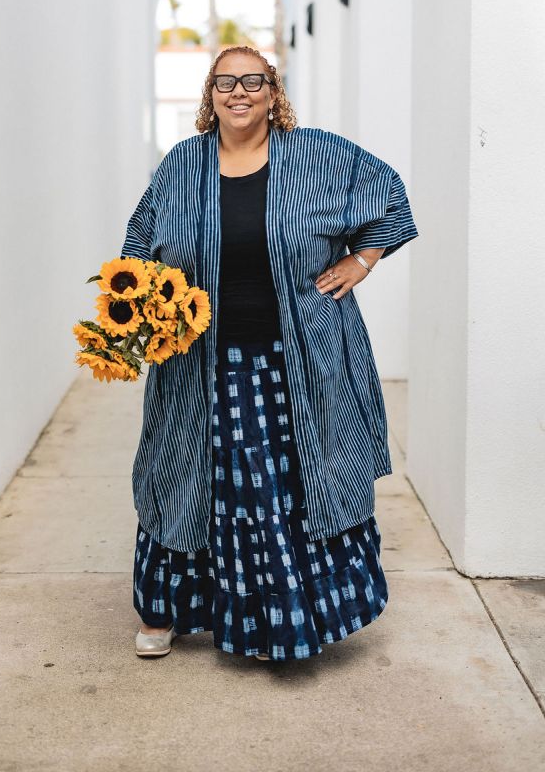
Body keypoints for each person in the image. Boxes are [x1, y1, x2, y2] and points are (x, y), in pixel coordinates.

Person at [122, 45, 419, 662]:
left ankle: (274, 619)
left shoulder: (317, 155)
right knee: (183, 477)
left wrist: (361, 260)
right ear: (210, 94)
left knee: (284, 490)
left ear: (272, 90)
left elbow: (390, 196)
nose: (239, 92)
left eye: (252, 80)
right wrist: (139, 310)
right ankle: (164, 609)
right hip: (197, 362)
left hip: (296, 357)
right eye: (225, 81)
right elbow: (141, 239)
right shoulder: (182, 164)